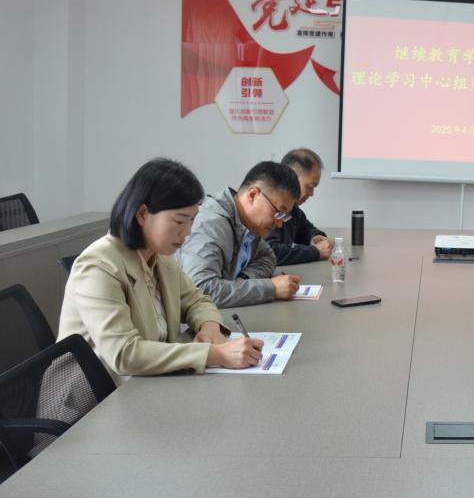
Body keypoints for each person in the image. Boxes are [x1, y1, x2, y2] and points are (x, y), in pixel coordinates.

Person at [58, 159, 264, 383]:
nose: (188, 231)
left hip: (145, 383)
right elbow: (125, 353)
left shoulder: (161, 257)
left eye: (192, 220)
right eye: (179, 221)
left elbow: (197, 301)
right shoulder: (98, 266)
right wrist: (215, 354)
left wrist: (210, 327)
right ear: (142, 214)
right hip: (98, 395)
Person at [177, 161, 301, 308]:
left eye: (284, 216)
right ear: (253, 195)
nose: (279, 224)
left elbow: (267, 257)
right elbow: (200, 290)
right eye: (279, 212)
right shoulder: (211, 225)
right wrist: (270, 288)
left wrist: (243, 280)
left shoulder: (247, 225)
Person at [265, 148, 331, 265]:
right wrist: (315, 252)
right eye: (310, 186)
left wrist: (315, 237)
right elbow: (270, 251)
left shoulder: (294, 210)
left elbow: (305, 229)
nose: (311, 193)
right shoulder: (269, 207)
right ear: (292, 177)